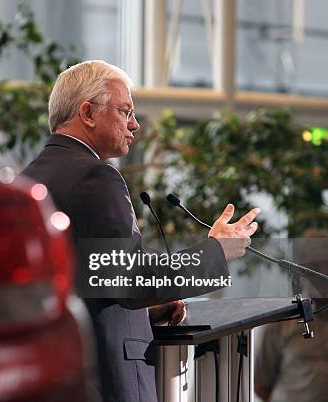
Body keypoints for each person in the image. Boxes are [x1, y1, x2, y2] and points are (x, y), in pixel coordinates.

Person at [21, 60, 261, 402]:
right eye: (125, 110)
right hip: (105, 380)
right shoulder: (95, 177)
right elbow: (130, 281)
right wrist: (217, 251)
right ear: (87, 112)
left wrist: (149, 312)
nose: (134, 125)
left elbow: (86, 281)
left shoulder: (27, 180)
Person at [254, 230, 328, 402]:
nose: (321, 273)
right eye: (314, 266)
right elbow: (261, 384)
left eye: (326, 263)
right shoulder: (282, 320)